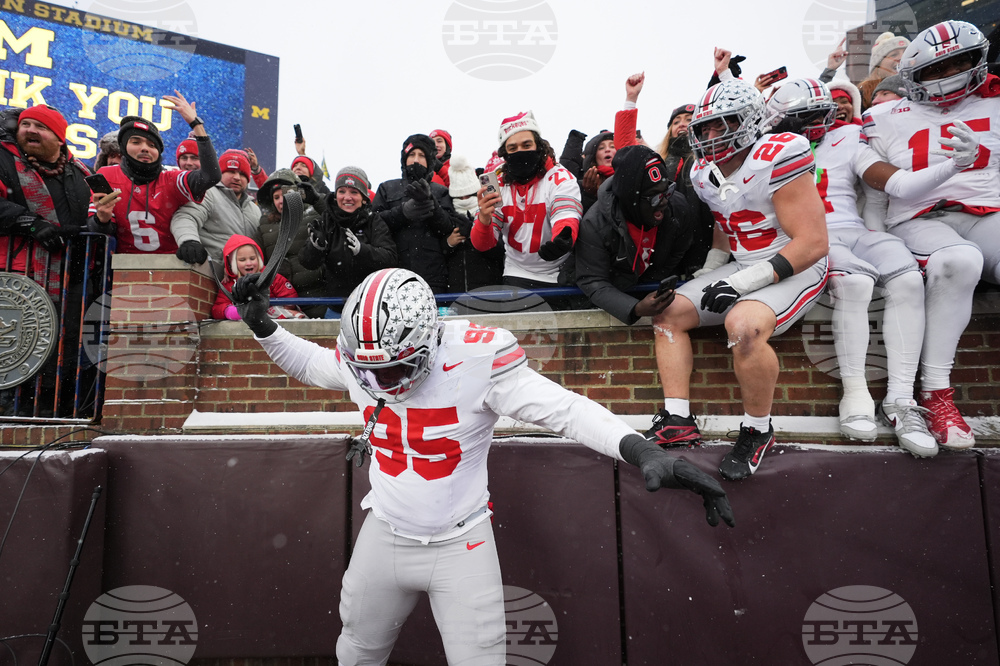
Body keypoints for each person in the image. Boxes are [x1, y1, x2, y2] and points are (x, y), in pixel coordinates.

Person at [230, 266, 734, 664]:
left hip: (461, 544)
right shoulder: (367, 358)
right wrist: (262, 325)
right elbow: (310, 363)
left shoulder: (476, 359)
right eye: (369, 371)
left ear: (428, 341)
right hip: (383, 533)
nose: (381, 383)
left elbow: (566, 411)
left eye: (396, 368)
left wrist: (642, 449)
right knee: (356, 652)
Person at [766, 78, 973, 456]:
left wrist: (953, 165)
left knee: (909, 280)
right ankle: (856, 394)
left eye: (820, 113)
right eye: (804, 116)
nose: (815, 123)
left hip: (854, 230)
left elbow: (900, 184)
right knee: (857, 284)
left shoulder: (846, 137)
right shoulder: (765, 150)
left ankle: (901, 401)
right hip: (810, 237)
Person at [650, 77, 829, 480]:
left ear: (750, 121)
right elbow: (725, 223)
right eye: (705, 128)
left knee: (744, 327)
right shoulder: (702, 170)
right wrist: (711, 270)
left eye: (723, 124)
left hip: (795, 264)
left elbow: (814, 243)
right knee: (668, 313)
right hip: (745, 263)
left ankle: (757, 429)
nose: (711, 136)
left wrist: (740, 284)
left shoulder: (779, 154)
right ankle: (677, 420)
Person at [861, 19, 1000, 449]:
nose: (949, 75)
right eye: (936, 69)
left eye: (959, 62)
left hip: (988, 213)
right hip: (919, 220)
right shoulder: (882, 116)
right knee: (959, 261)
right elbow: (876, 193)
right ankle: (937, 394)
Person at [0, 104, 97, 417]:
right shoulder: (3, 158)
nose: (30, 130)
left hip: (70, 278)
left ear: (59, 138)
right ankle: (10, 412)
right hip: (16, 276)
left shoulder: (82, 173)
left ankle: (48, 412)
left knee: (60, 348)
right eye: (25, 124)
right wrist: (29, 222)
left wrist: (101, 222)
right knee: (13, 346)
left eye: (40, 127)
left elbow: (95, 218)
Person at [89, 91, 222, 254]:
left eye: (152, 145)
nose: (145, 148)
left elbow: (210, 176)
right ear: (123, 148)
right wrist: (102, 219)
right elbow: (97, 232)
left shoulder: (171, 179)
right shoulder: (107, 175)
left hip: (170, 264)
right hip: (126, 265)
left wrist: (196, 125)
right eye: (136, 142)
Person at [571, 144, 692, 323]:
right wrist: (634, 308)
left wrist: (652, 281)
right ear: (630, 197)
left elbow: (679, 248)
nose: (664, 201)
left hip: (648, 288)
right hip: (607, 298)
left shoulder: (677, 207)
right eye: (654, 196)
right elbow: (592, 280)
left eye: (666, 191)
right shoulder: (594, 224)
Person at [472, 111, 582, 290]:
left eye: (526, 145)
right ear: (505, 154)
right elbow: (483, 245)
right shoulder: (498, 184)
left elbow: (566, 214)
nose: (520, 152)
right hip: (518, 272)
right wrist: (484, 219)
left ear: (538, 146)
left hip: (558, 273)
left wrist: (562, 239)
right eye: (512, 148)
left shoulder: (560, 177)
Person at [299, 166, 396, 313]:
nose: (347, 197)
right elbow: (308, 263)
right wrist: (315, 248)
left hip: (369, 308)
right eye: (342, 191)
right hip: (336, 308)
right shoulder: (326, 221)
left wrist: (362, 251)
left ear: (364, 198)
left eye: (354, 192)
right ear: (335, 195)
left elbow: (390, 258)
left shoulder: (374, 221)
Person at [373, 134, 460, 293]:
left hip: (434, 277)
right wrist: (402, 213)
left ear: (430, 160)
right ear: (404, 159)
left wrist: (432, 205)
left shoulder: (441, 191)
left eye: (422, 155)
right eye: (411, 155)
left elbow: (449, 227)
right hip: (394, 276)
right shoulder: (387, 188)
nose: (416, 160)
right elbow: (374, 223)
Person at [171, 149, 262, 269]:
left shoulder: (254, 209)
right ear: (219, 173)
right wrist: (189, 241)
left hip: (243, 275)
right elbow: (186, 217)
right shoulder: (207, 194)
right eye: (231, 171)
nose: (237, 177)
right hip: (212, 273)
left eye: (242, 174)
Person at [257, 168, 327, 318]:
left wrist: (317, 200)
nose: (280, 201)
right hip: (284, 301)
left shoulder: (315, 215)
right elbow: (255, 257)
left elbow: (335, 219)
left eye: (285, 194)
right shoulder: (264, 225)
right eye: (276, 197)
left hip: (318, 297)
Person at [210, 234, 304, 320]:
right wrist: (231, 312)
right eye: (242, 260)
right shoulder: (228, 284)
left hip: (273, 320)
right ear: (233, 263)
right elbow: (217, 309)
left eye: (252, 258)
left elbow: (290, 299)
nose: (248, 263)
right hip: (247, 323)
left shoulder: (271, 277)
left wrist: (269, 305)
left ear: (259, 259)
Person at [445, 155, 504, 292]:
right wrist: (448, 244)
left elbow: (500, 251)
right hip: (456, 293)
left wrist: (476, 233)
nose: (464, 200)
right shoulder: (447, 218)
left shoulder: (493, 212)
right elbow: (436, 255)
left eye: (469, 196)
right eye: (460, 197)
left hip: (488, 291)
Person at [859, 32, 910, 110]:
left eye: (906, 53)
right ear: (878, 66)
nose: (902, 57)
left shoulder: (923, 86)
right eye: (894, 55)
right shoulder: (861, 95)